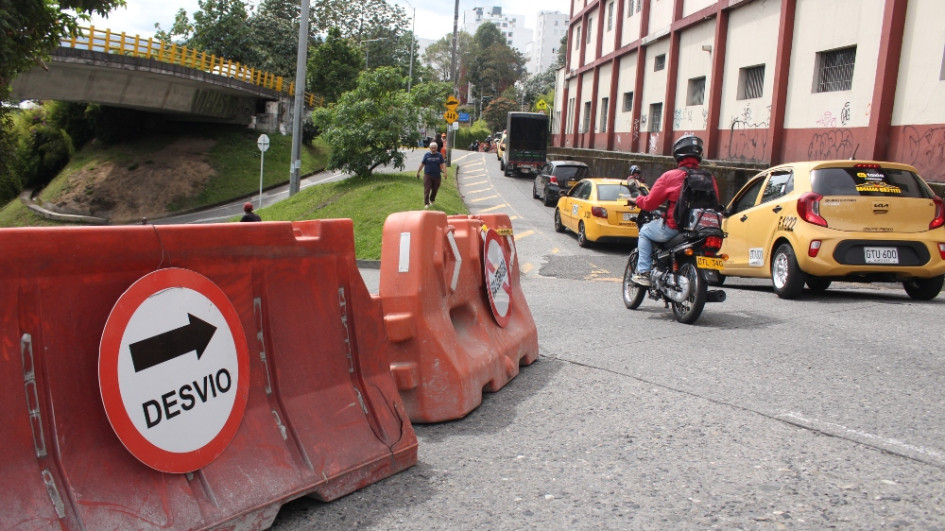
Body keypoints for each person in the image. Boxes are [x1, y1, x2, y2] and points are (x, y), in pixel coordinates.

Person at [626, 135, 718, 286]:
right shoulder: (709, 178)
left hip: (675, 228)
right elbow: (715, 203)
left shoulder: (670, 176)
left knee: (645, 232)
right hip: (701, 229)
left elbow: (649, 203)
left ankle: (644, 272)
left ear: (678, 154)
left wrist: (637, 200)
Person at [417, 141, 447, 209]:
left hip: (436, 175)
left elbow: (443, 164)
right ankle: (426, 203)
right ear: (430, 148)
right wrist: (418, 172)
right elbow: (422, 164)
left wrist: (445, 173)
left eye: (435, 148)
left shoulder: (439, 155)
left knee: (435, 189)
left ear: (436, 148)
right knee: (427, 189)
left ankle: (432, 200)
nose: (433, 149)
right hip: (428, 174)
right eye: (432, 148)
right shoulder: (426, 155)